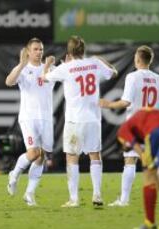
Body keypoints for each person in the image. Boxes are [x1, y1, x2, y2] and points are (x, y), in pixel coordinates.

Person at [42, 35, 117, 207]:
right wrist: (101, 59)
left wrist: (48, 63)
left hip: (74, 121)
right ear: (84, 50)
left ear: (68, 51)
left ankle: (74, 199)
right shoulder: (94, 63)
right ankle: (97, 195)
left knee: (72, 157)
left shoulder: (67, 67)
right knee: (95, 156)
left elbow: (45, 77)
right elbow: (114, 73)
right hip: (93, 120)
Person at [100, 45, 159, 206]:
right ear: (150, 60)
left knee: (130, 160)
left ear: (138, 59)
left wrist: (108, 104)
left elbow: (126, 102)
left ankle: (124, 200)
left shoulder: (132, 77)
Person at [5, 37, 55, 206]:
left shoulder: (49, 69)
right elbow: (9, 82)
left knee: (42, 156)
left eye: (41, 49)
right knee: (33, 153)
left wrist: (49, 67)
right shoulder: (23, 69)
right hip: (28, 117)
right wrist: (20, 65)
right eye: (35, 49)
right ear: (28, 51)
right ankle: (15, 173)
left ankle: (29, 193)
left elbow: (50, 79)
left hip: (46, 119)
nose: (39, 52)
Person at [117, 108, 159, 229]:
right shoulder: (145, 118)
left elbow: (138, 149)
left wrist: (149, 166)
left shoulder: (122, 131)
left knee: (149, 178)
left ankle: (149, 223)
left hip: (157, 131)